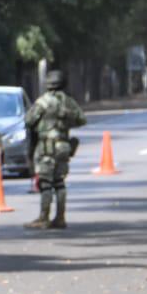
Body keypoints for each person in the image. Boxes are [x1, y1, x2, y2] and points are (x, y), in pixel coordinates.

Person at [23, 69, 85, 229]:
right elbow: (81, 119)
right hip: (63, 146)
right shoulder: (69, 102)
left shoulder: (43, 101)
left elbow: (28, 120)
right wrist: (65, 118)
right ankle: (60, 217)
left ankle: (44, 217)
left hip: (47, 148)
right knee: (59, 182)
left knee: (45, 183)